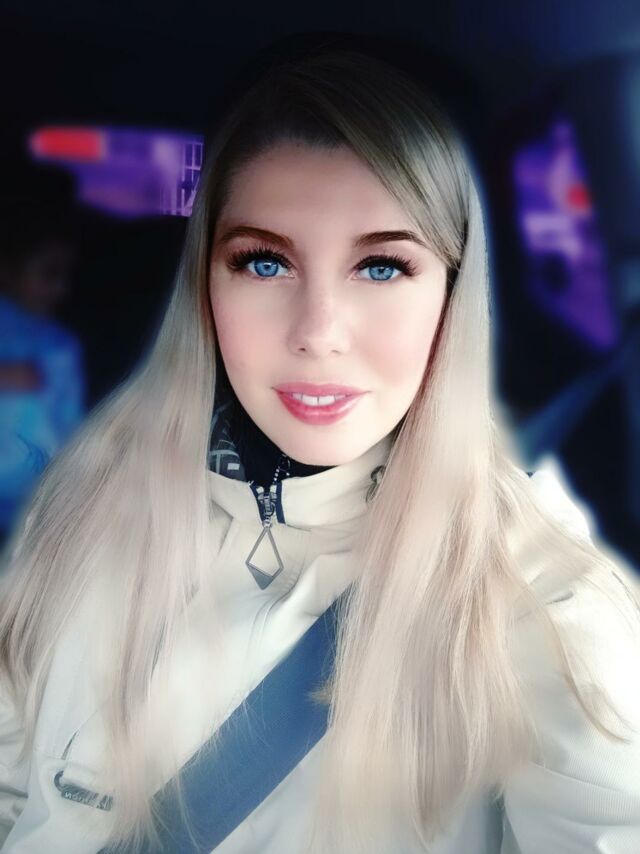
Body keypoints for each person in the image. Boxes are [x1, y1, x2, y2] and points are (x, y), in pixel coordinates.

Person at [0, 44, 639, 854]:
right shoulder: (78, 514)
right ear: (206, 283)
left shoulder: (535, 592)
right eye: (264, 262)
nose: (318, 333)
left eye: (382, 267)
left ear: (452, 292)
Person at [0, 176, 85, 545]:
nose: (60, 288)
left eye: (64, 276)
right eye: (48, 274)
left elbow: (67, 432)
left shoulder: (59, 347)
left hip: (30, 510)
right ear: (8, 270)